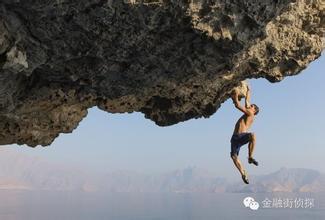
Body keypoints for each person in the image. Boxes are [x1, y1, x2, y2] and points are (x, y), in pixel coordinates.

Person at [230, 85, 259, 184]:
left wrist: (236, 93)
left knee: (253, 136)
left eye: (251, 106)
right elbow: (247, 100)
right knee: (234, 157)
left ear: (254, 111)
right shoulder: (249, 112)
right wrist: (249, 91)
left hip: (242, 136)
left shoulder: (250, 114)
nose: (249, 106)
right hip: (234, 138)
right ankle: (243, 173)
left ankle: (250, 157)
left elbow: (238, 105)